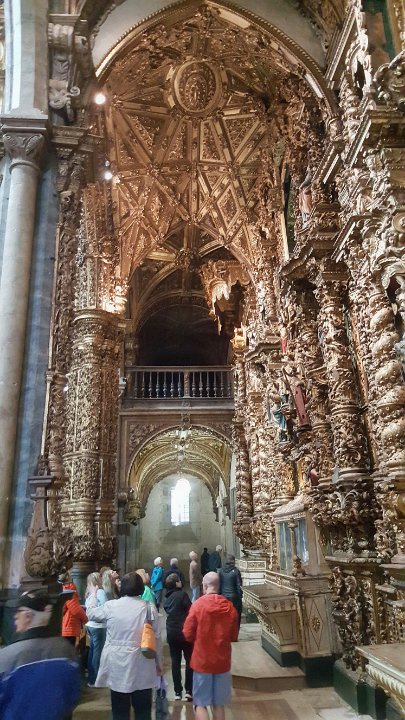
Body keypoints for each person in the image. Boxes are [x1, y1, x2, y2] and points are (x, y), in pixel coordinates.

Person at [87, 571, 161, 720]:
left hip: (117, 663)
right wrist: (158, 663)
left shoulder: (111, 606)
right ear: (141, 588)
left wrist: (93, 594)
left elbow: (91, 613)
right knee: (143, 711)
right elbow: (156, 639)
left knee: (120, 710)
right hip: (142, 662)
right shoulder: (149, 608)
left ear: (122, 587)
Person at [0, 589, 81, 720]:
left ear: (28, 616)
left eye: (18, 611)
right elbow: (73, 695)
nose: (15, 616)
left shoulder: (7, 657)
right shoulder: (67, 651)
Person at [183, 572, 239, 720]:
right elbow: (233, 635)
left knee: (200, 704)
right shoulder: (230, 607)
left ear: (205, 585)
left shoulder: (198, 606)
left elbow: (187, 633)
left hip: (202, 662)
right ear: (218, 585)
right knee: (219, 705)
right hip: (222, 661)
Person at [163, 573, 193, 702]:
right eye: (179, 581)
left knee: (175, 662)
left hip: (172, 632)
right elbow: (191, 610)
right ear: (176, 583)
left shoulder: (167, 598)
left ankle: (177, 691)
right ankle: (189, 690)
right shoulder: (182, 595)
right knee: (189, 661)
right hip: (184, 631)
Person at [85, 571, 107, 687]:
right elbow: (104, 608)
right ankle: (94, 680)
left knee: (93, 652)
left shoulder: (89, 592)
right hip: (99, 626)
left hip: (90, 625)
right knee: (98, 654)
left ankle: (91, 677)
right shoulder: (100, 592)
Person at [60, 570, 87, 646]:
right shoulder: (69, 588)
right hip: (69, 625)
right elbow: (75, 609)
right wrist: (86, 618)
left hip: (63, 624)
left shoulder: (61, 587)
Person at [218, 554, 243, 627]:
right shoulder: (236, 571)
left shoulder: (221, 571)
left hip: (223, 596)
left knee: (225, 616)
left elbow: (219, 584)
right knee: (236, 616)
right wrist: (240, 596)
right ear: (233, 561)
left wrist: (219, 595)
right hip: (234, 597)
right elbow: (239, 585)